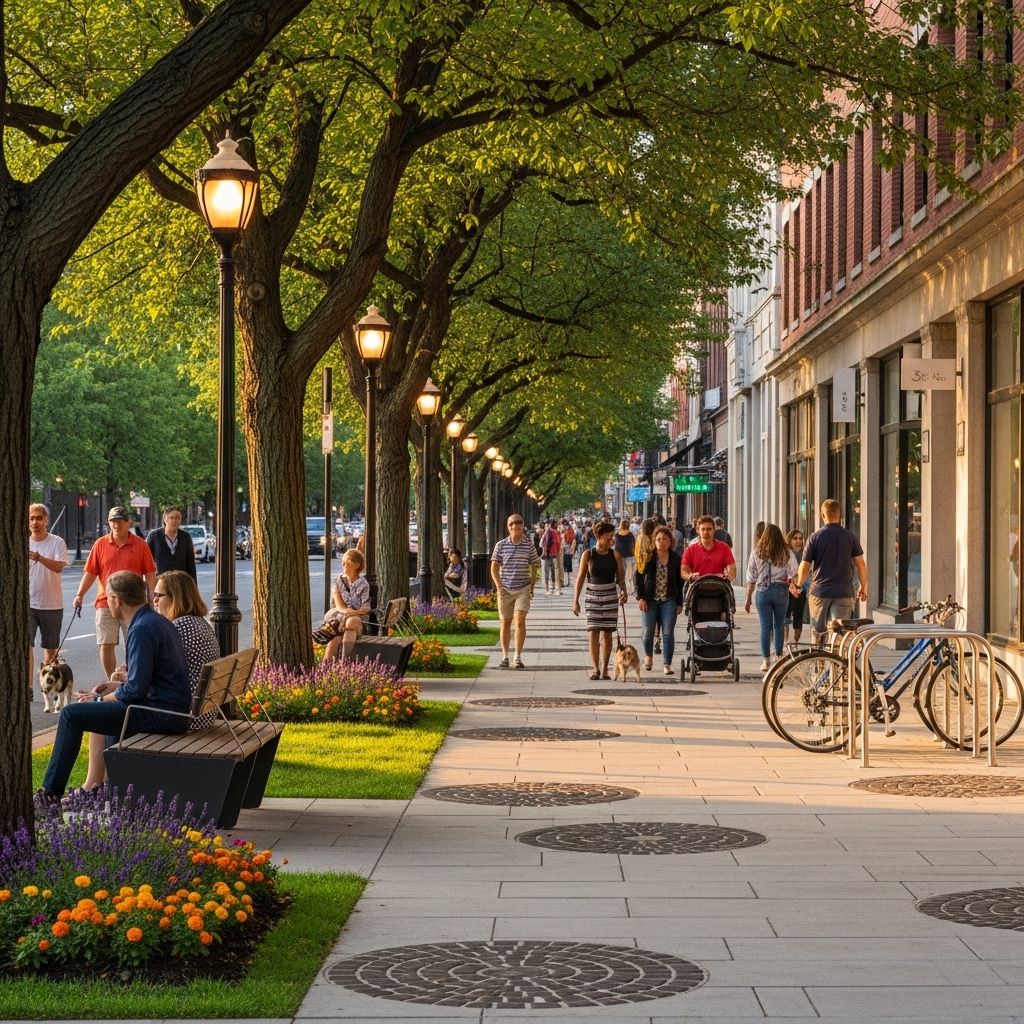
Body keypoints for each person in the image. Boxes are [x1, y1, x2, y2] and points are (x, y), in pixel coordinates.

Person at [36, 571, 191, 805]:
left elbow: (135, 692)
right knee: (102, 713)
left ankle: (50, 794)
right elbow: (149, 680)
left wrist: (99, 700)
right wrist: (115, 686)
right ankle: (106, 788)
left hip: (162, 714)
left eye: (107, 598)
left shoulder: (141, 629)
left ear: (117, 600)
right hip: (171, 710)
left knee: (70, 715)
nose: (107, 603)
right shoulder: (155, 621)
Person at [76, 570, 222, 795]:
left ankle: (94, 786)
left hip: (182, 714)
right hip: (199, 709)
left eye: (159, 595)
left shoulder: (178, 627)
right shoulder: (197, 623)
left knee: (100, 714)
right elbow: (160, 674)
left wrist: (121, 681)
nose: (154, 600)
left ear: (176, 597)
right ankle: (103, 787)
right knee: (109, 706)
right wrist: (123, 682)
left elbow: (150, 677)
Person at [73, 506, 157, 678]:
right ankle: (112, 681)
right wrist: (80, 594)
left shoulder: (140, 545)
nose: (116, 525)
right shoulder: (100, 544)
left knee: (135, 644)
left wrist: (153, 599)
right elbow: (90, 573)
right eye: (113, 522)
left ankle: (133, 679)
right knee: (105, 644)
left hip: (134, 604)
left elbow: (150, 575)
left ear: (128, 522)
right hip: (106, 601)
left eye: (120, 521)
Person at [795, 498, 868, 644]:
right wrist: (863, 586)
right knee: (838, 634)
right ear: (839, 515)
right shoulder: (850, 537)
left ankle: (818, 658)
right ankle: (836, 658)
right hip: (843, 592)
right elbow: (861, 564)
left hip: (819, 593)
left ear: (823, 515)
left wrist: (798, 585)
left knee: (818, 634)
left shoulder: (815, 537)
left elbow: (805, 565)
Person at [572, 520, 628, 679]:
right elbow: (580, 578)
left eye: (612, 536)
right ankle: (595, 668)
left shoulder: (615, 555)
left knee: (608, 633)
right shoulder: (588, 554)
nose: (611, 540)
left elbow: (621, 578)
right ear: (599, 536)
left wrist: (624, 592)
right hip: (593, 597)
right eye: (608, 537)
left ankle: (604, 669)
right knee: (593, 631)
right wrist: (575, 601)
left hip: (610, 597)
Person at [744, 524, 800, 672]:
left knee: (765, 627)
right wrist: (792, 584)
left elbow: (751, 577)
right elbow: (793, 572)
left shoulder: (757, 552)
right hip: (780, 591)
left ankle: (766, 660)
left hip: (762, 591)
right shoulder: (786, 552)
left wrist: (748, 598)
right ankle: (779, 657)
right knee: (778, 625)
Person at [28, 503, 70, 697]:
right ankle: (28, 688)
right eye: (31, 518)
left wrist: (39, 558)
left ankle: (48, 688)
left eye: (39, 518)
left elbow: (59, 567)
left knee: (50, 650)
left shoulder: (57, 542)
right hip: (28, 604)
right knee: (26, 646)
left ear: (46, 520)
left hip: (52, 604)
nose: (35, 522)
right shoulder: (23, 541)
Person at [490, 514, 541, 669]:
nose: (515, 526)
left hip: (523, 588)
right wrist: (499, 586)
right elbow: (494, 568)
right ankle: (505, 656)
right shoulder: (500, 545)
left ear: (522, 526)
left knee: (519, 620)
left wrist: (532, 585)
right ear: (508, 527)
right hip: (505, 589)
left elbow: (534, 564)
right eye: (512, 524)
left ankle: (517, 657)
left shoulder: (528, 545)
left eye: (518, 523)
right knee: (505, 622)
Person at [635, 525, 684, 674]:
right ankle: (648, 656)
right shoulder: (648, 557)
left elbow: (680, 583)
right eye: (658, 539)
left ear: (670, 541)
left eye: (664, 539)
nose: (661, 542)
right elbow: (638, 577)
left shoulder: (676, 559)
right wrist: (640, 597)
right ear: (654, 541)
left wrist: (679, 602)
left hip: (669, 600)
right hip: (649, 600)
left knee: (668, 632)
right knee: (648, 631)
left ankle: (667, 664)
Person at [324, 549, 372, 662]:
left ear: (357, 565)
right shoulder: (338, 581)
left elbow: (365, 609)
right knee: (339, 630)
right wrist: (354, 612)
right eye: (343, 563)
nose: (344, 565)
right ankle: (326, 667)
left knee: (352, 621)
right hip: (339, 616)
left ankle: (344, 663)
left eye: (348, 562)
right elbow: (340, 607)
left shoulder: (363, 584)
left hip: (358, 619)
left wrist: (355, 613)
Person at [145, 505, 197, 580]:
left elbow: (191, 564)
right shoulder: (154, 536)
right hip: (160, 582)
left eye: (177, 518)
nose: (174, 520)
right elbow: (146, 560)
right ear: (165, 519)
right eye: (171, 518)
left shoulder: (186, 537)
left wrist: (193, 585)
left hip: (181, 582)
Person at [682, 515, 737, 581]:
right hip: (697, 585)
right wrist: (690, 576)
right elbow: (683, 570)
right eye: (703, 529)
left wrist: (728, 577)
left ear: (714, 530)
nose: (706, 532)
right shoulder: (690, 550)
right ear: (698, 530)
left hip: (719, 585)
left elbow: (732, 568)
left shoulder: (724, 548)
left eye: (709, 529)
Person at [783, 528, 810, 645]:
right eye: (795, 538)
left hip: (801, 588)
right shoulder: (785, 553)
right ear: (789, 540)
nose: (798, 541)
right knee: (786, 615)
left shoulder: (806, 552)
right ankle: (785, 642)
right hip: (787, 588)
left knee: (799, 615)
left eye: (800, 538)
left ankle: (795, 642)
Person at [540, 519, 563, 594]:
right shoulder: (557, 532)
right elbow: (559, 543)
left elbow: (541, 544)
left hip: (547, 554)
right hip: (555, 554)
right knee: (556, 571)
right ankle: (558, 589)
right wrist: (558, 552)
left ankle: (549, 590)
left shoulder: (546, 532)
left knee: (547, 572)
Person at [614, 518, 636, 584]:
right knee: (630, 575)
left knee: (620, 573)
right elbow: (633, 545)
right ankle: (630, 586)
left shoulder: (616, 534)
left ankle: (621, 585)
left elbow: (614, 545)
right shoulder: (631, 534)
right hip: (629, 556)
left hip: (619, 556)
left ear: (621, 525)